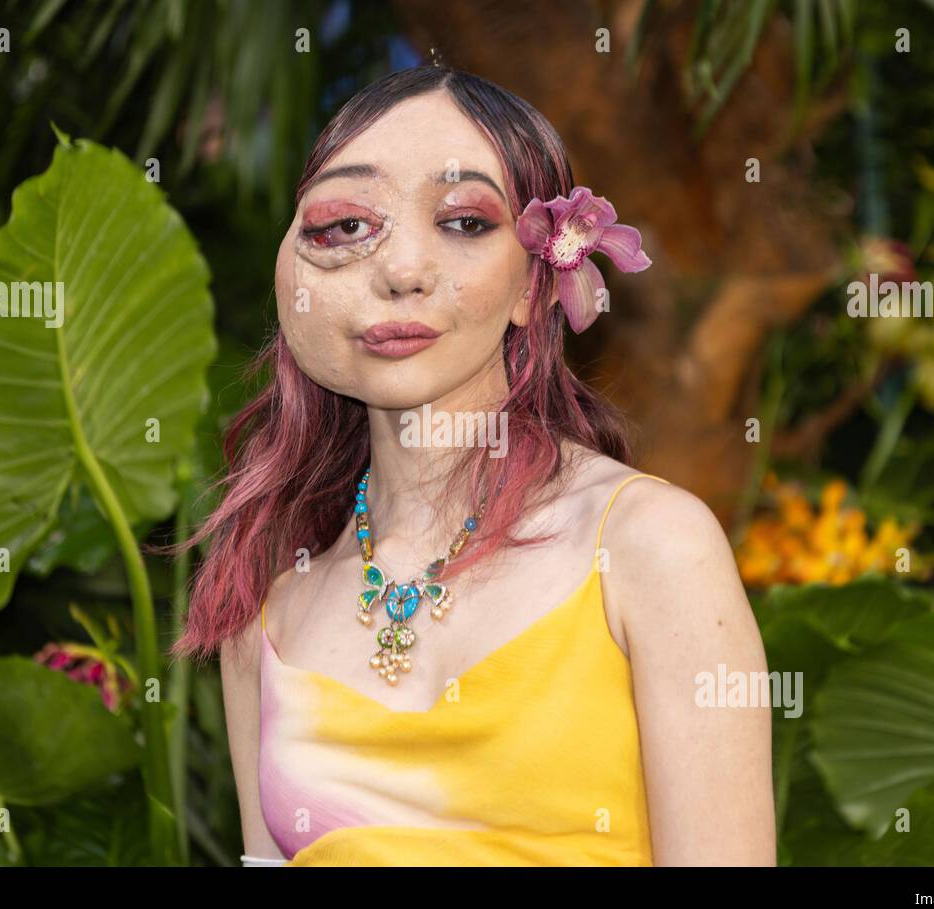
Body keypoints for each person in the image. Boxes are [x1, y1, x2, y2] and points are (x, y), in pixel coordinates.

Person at [174, 64, 775, 866]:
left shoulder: (649, 546)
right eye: (348, 225)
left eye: (463, 221)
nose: (401, 269)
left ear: (537, 282)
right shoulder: (267, 616)